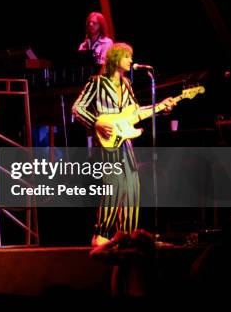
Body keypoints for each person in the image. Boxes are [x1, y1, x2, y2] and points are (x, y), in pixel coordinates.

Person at [72, 43, 175, 246]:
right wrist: (96, 122)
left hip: (125, 143)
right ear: (115, 59)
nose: (130, 60)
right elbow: (77, 107)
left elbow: (134, 112)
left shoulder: (127, 84)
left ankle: (127, 236)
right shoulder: (97, 83)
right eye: (127, 56)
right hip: (107, 142)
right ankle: (100, 234)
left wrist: (161, 107)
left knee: (132, 187)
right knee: (115, 185)